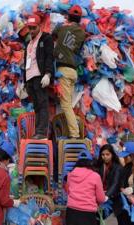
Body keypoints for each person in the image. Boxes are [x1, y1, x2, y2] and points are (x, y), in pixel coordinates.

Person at [52, 5, 86, 139]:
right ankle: (71, 131)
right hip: (73, 72)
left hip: (63, 71)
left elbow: (53, 35)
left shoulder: (61, 27)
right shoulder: (82, 33)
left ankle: (74, 134)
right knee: (69, 104)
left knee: (65, 105)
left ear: (69, 16)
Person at [22, 14, 54, 140]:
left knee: (42, 104)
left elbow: (49, 57)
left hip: (39, 76)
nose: (31, 31)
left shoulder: (46, 38)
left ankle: (42, 132)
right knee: (36, 106)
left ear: (39, 26)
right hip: (30, 79)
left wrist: (48, 73)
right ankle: (37, 132)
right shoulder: (29, 43)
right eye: (29, 28)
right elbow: (26, 63)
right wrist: (25, 82)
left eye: (33, 28)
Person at [66, 151, 107, 225]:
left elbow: (68, 191)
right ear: (91, 162)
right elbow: (101, 199)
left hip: (71, 212)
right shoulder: (95, 176)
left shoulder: (70, 175)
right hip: (88, 214)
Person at [96, 144, 123, 224]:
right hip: (100, 195)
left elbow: (115, 183)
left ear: (112, 155)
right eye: (103, 155)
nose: (105, 157)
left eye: (107, 154)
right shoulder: (99, 165)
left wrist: (106, 195)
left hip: (112, 197)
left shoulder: (117, 167)